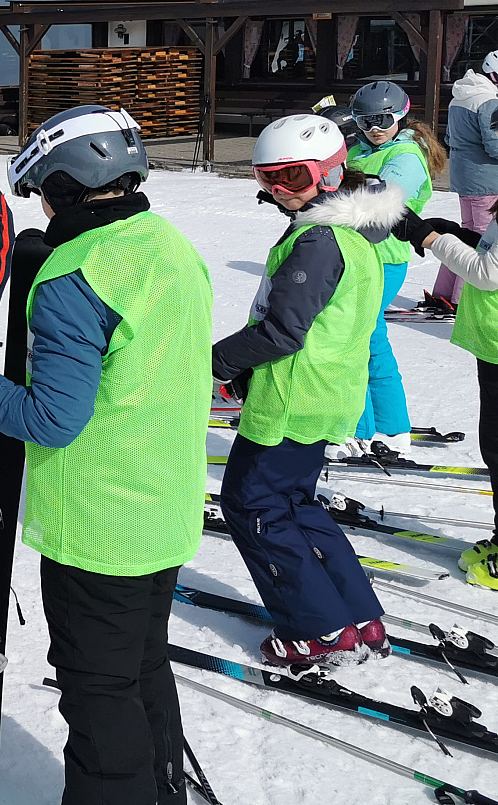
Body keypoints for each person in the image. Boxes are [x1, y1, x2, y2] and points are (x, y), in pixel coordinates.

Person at [0, 105, 211, 805]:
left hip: (99, 529)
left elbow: (52, 419)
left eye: (43, 193)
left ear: (63, 186)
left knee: (98, 694)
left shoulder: (74, 277)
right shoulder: (169, 245)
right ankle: (163, 791)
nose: (43, 207)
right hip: (166, 509)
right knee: (142, 667)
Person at [212, 114, 398, 664]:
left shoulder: (319, 240)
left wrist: (214, 363)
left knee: (252, 505)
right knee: (294, 502)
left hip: (292, 397)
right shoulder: (352, 233)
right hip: (325, 390)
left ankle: (317, 629)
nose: (278, 189)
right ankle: (357, 616)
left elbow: (282, 331)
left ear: (331, 172)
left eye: (291, 176)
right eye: (266, 177)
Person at [396, 200, 498, 588]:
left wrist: (432, 239)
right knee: (494, 447)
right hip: (492, 346)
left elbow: (487, 274)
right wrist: (461, 234)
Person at [345, 80, 445, 451]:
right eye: (366, 121)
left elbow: (380, 202)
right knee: (369, 339)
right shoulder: (360, 148)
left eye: (383, 120)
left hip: (383, 258)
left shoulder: (406, 156)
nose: (375, 128)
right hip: (356, 254)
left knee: (354, 340)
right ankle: (389, 426)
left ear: (400, 116)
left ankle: (361, 428)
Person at [432, 52, 498, 313]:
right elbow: (494, 143)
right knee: (481, 239)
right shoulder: (489, 101)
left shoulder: (460, 95)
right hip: (486, 179)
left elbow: (449, 137)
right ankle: (460, 298)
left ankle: (444, 292)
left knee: (465, 233)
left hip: (464, 176)